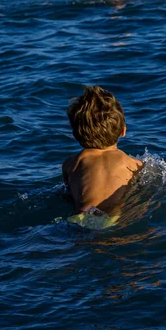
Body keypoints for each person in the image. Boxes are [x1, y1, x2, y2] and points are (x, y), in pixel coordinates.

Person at [62, 85, 142, 226]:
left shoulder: (71, 163)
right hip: (111, 219)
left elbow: (69, 193)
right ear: (123, 131)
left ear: (75, 135)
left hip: (80, 218)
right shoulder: (133, 163)